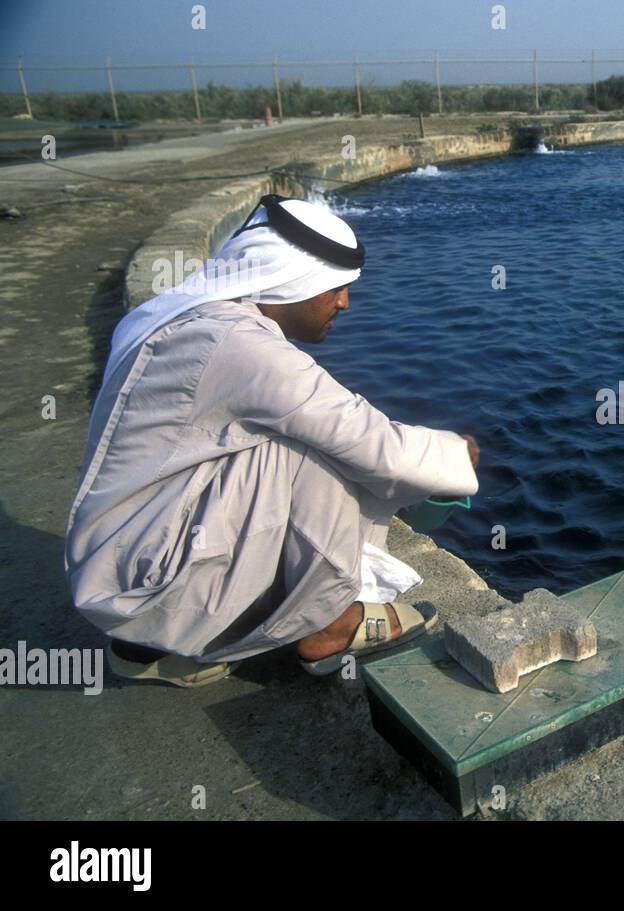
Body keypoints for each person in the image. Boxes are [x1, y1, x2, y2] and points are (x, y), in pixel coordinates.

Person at [64, 194, 480, 686]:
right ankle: (328, 622)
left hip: (117, 565)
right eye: (335, 290)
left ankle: (151, 644)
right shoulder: (242, 348)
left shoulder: (183, 315)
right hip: (144, 584)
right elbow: (373, 441)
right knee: (324, 450)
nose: (344, 303)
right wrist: (459, 458)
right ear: (291, 283)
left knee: (291, 434)